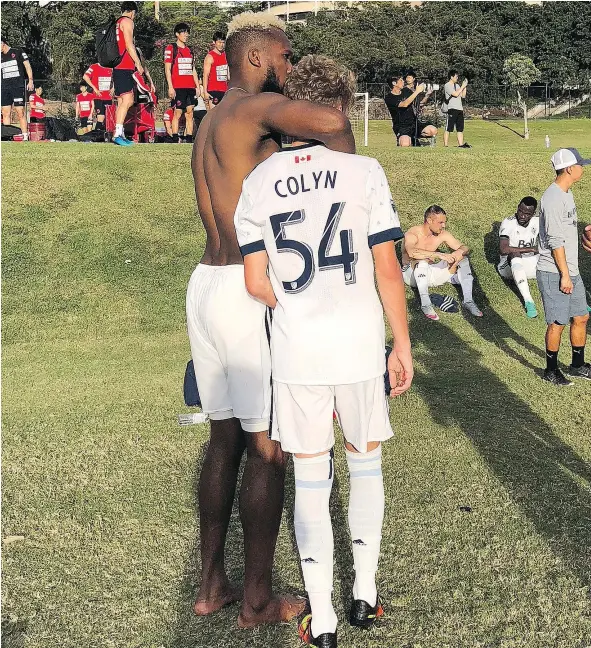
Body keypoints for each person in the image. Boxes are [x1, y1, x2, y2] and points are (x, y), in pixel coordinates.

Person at [234, 54, 413, 648]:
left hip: (299, 354)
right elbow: (388, 268)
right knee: (365, 464)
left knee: (311, 480)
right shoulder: (364, 172)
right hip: (359, 344)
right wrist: (402, 340)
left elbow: (256, 282)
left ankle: (326, 619)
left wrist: (297, 314)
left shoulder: (258, 182)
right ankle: (364, 592)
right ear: (338, 108)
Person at [187, 10, 354, 630]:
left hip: (206, 283)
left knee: (223, 440)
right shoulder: (253, 110)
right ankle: (257, 600)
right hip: (246, 290)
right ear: (255, 57)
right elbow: (333, 121)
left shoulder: (212, 120)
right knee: (269, 447)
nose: (289, 72)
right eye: (285, 59)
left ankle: (212, 584)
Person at [537, 148, 590, 385]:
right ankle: (551, 369)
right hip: (555, 272)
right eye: (580, 164)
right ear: (569, 168)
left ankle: (577, 364)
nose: (583, 168)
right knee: (557, 322)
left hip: (571, 270)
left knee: (581, 316)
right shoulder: (552, 198)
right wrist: (565, 276)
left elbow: (564, 232)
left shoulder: (566, 193)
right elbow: (555, 241)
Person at [402, 205, 483, 320]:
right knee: (422, 262)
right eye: (440, 222)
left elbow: (464, 247)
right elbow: (411, 252)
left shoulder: (442, 234)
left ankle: (468, 301)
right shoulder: (412, 233)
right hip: (411, 275)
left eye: (444, 222)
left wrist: (458, 253)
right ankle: (426, 304)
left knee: (463, 260)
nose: (444, 225)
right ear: (429, 220)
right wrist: (438, 254)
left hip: (431, 274)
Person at [497, 196, 540, 318]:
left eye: (527, 214)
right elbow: (503, 249)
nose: (522, 216)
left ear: (533, 214)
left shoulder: (537, 221)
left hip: (529, 264)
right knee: (515, 254)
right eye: (520, 211)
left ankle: (574, 300)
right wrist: (531, 249)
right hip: (508, 267)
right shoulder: (508, 223)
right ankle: (529, 301)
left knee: (556, 256)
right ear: (518, 208)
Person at [164, 22, 201, 143]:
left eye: (187, 32)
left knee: (190, 112)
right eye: (183, 32)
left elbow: (193, 69)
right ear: (177, 34)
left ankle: (189, 138)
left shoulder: (190, 50)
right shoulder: (171, 48)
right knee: (178, 112)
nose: (186, 35)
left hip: (190, 86)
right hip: (178, 87)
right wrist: (170, 86)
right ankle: (175, 138)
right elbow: (167, 68)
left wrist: (197, 86)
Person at [112, 1, 143, 146]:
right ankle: (117, 134)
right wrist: (137, 62)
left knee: (121, 101)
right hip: (124, 65)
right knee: (128, 99)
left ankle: (120, 133)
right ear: (133, 12)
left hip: (117, 65)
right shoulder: (128, 22)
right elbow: (129, 44)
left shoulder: (116, 22)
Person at [1, 37, 34, 139]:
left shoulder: (18, 51)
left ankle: (25, 135)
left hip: (17, 87)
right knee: (5, 112)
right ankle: (7, 136)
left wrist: (30, 80)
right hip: (4, 88)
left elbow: (27, 66)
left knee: (20, 111)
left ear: (2, 43)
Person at [403, 69, 438, 142]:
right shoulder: (404, 91)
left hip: (416, 120)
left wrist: (427, 95)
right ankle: (410, 139)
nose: (408, 79)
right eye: (407, 77)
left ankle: (416, 138)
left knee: (433, 130)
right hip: (407, 121)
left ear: (414, 79)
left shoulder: (416, 90)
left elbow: (420, 104)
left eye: (409, 77)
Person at [443, 69, 470, 148]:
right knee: (449, 128)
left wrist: (464, 86)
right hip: (452, 108)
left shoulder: (457, 86)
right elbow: (455, 94)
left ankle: (461, 144)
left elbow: (462, 96)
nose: (457, 78)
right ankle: (446, 145)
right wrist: (462, 87)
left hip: (459, 109)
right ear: (451, 77)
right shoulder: (447, 85)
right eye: (456, 76)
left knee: (460, 128)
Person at [83, 61, 112, 133]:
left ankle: (105, 134)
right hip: (98, 97)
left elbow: (117, 78)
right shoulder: (94, 66)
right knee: (101, 117)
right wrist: (95, 88)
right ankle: (97, 134)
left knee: (109, 118)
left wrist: (113, 88)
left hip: (109, 97)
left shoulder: (111, 67)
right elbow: (85, 76)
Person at [203, 31, 228, 108]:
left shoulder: (226, 55)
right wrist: (205, 92)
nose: (221, 45)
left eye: (223, 42)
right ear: (214, 42)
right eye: (219, 42)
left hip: (225, 90)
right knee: (213, 115)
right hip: (213, 90)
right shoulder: (210, 57)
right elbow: (205, 75)